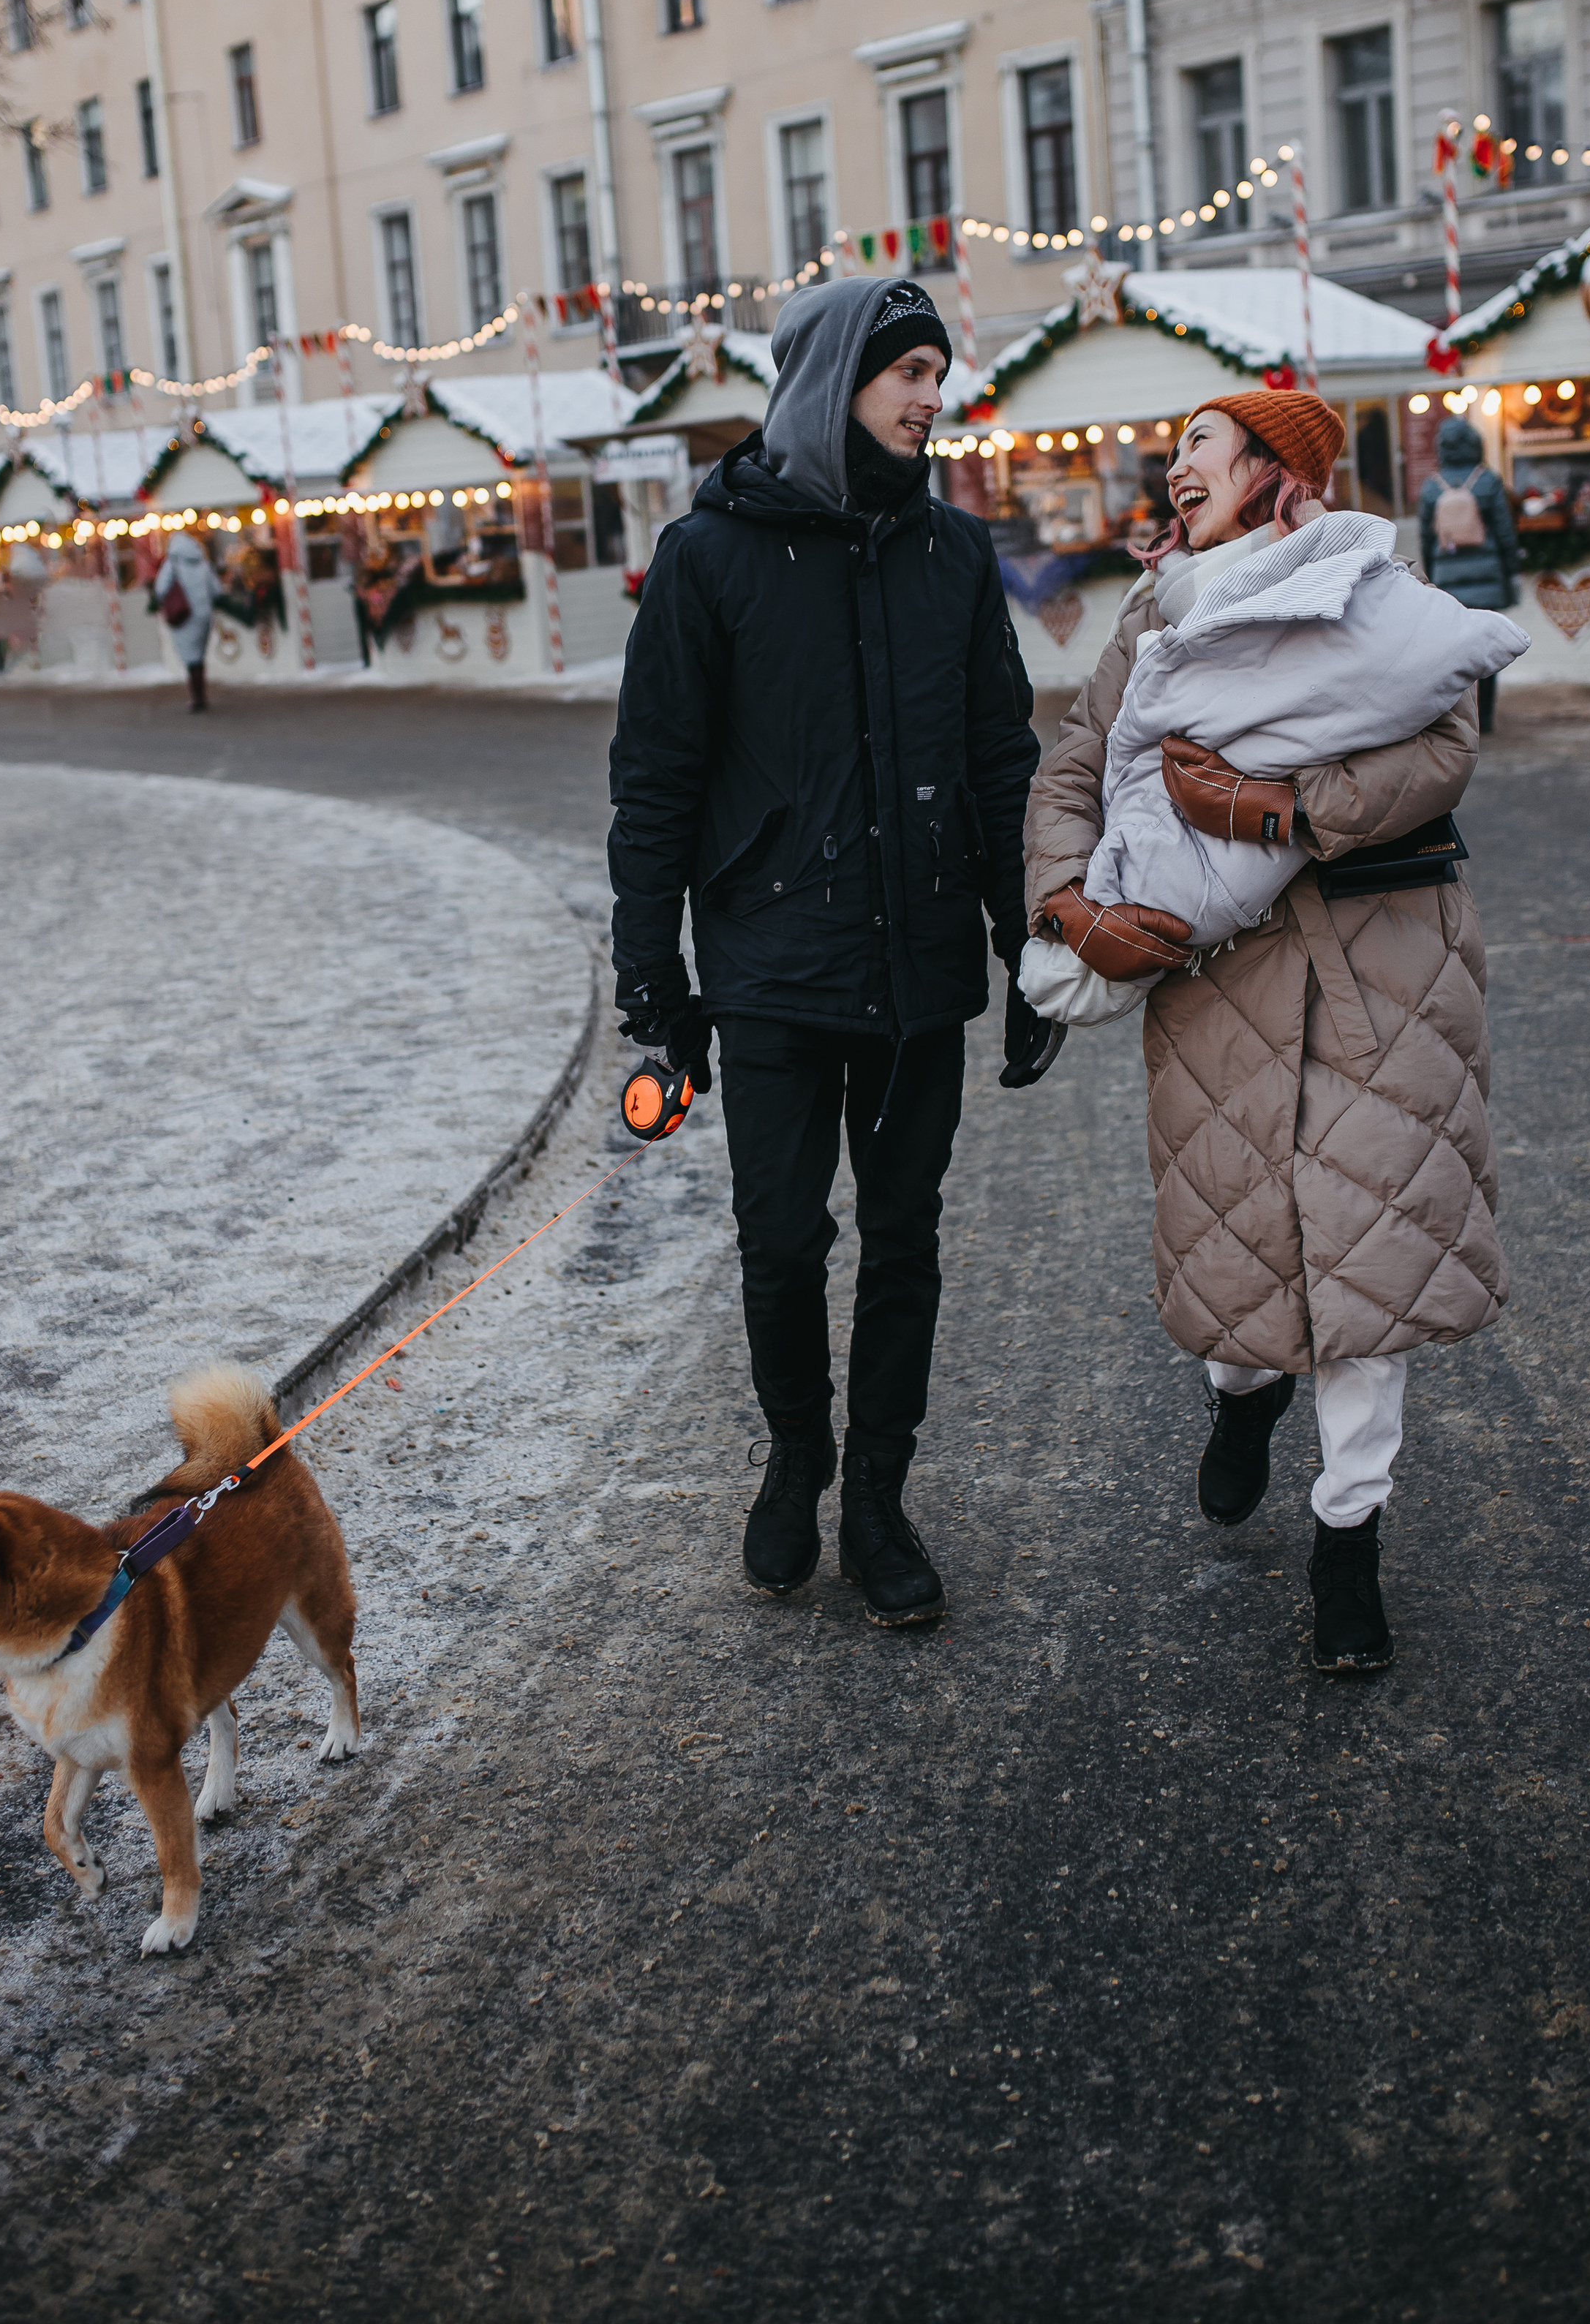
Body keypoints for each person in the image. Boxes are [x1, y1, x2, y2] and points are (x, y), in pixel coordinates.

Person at [1025, 390, 1510, 1675]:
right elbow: (1076, 764)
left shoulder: (1374, 586)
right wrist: (1067, 902)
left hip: (1379, 970)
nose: (1175, 465)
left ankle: (1347, 1543)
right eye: (1173, 445)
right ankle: (1241, 1401)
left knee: (1368, 1262)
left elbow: (1445, 748)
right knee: (1247, 1243)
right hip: (1217, 988)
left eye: (1202, 444)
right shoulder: (1156, 617)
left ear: (1274, 473)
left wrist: (1278, 806)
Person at [608, 278, 1047, 1626]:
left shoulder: (955, 557)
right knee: (782, 1243)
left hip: (918, 968)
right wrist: (655, 985)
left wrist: (1024, 947)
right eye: (906, 369)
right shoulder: (709, 557)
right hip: (775, 970)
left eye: (938, 372)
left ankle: (878, 1497)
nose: (931, 395)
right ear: (830, 380)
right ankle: (797, 1455)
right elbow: (657, 783)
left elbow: (998, 763)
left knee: (903, 1242)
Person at [1418, 415, 1520, 733]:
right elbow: (1505, 531)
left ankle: (1464, 720)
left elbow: (1426, 536)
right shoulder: (1487, 481)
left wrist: (1432, 577)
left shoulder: (1432, 486)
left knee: (1457, 653)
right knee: (1486, 651)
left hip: (1449, 581)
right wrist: (1511, 571)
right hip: (1487, 577)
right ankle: (1486, 718)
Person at [154, 527, 218, 712]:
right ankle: (201, 695)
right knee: (199, 656)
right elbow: (216, 589)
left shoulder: (172, 564)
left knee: (191, 658)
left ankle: (197, 698)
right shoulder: (203, 563)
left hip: (184, 615)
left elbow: (160, 589)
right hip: (204, 615)